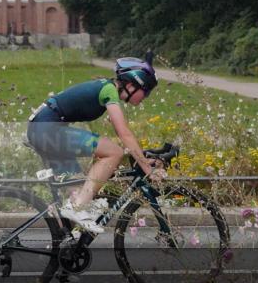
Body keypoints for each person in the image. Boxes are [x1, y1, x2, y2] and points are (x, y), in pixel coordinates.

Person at [26, 52, 167, 234]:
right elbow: (123, 132)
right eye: (146, 91)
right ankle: (76, 210)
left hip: (44, 129)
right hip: (46, 129)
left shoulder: (105, 88)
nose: (145, 96)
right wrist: (146, 166)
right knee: (114, 152)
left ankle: (68, 243)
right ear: (132, 85)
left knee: (81, 194)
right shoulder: (108, 90)